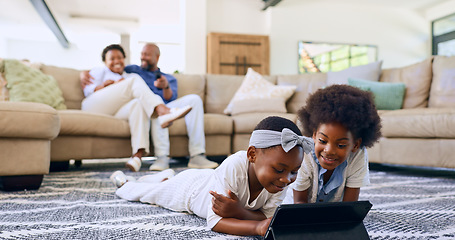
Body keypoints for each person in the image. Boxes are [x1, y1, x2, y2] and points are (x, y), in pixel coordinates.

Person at [109, 116, 313, 236]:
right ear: (252, 155)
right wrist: (257, 227)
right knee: (145, 194)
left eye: (294, 171)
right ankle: (123, 182)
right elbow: (215, 221)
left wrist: (239, 211)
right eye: (279, 170)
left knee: (163, 183)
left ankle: (164, 177)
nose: (287, 179)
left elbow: (267, 215)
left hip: (210, 178)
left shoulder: (279, 181)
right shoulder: (235, 166)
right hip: (189, 191)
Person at [81, 43, 218, 170]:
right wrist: (92, 80)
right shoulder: (112, 71)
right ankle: (162, 112)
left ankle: (138, 156)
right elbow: (87, 85)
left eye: (120, 58)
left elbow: (171, 97)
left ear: (157, 57)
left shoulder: (140, 75)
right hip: (93, 105)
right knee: (139, 84)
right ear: (105, 62)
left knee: (141, 103)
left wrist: (165, 87)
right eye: (112, 58)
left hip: (125, 107)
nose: (117, 61)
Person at [285, 84, 382, 204]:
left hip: (332, 212)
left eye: (341, 145)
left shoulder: (358, 154)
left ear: (356, 145)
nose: (329, 150)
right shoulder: (305, 152)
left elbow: (349, 206)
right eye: (322, 141)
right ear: (314, 135)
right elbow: (299, 203)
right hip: (294, 207)